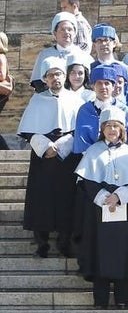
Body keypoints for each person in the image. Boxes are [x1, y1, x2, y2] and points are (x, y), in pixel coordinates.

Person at [74, 106, 128, 308]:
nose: (112, 130)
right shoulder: (93, 151)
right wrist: (104, 197)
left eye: (116, 126)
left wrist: (119, 196)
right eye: (108, 126)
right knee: (99, 251)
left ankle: (123, 298)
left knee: (123, 251)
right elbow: (85, 182)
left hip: (125, 209)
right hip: (98, 210)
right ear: (102, 129)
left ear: (122, 129)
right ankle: (100, 299)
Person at [19, 57, 85, 257]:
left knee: (67, 196)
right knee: (41, 197)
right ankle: (42, 243)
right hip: (43, 155)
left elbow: (79, 128)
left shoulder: (76, 99)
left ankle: (65, 242)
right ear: (45, 79)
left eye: (58, 74)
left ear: (64, 76)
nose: (55, 78)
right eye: (51, 75)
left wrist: (63, 145)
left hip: (67, 154)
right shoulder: (37, 100)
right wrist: (45, 146)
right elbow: (28, 130)